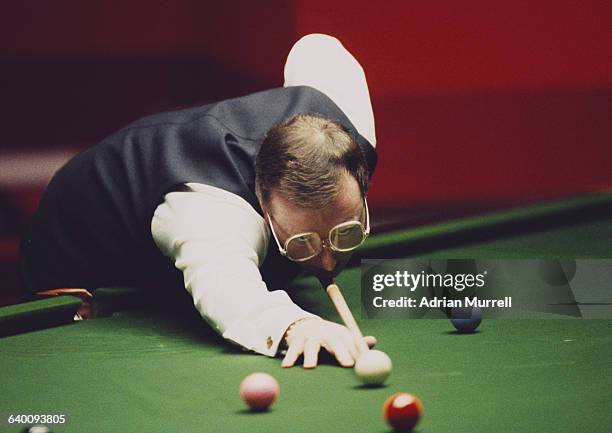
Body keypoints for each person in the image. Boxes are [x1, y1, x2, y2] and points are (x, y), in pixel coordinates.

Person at [19, 34, 378, 368]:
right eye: (301, 244)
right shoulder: (210, 209)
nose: (329, 260)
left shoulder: (350, 128)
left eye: (346, 232)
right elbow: (228, 290)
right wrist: (295, 324)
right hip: (77, 254)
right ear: (263, 207)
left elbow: (316, 48)